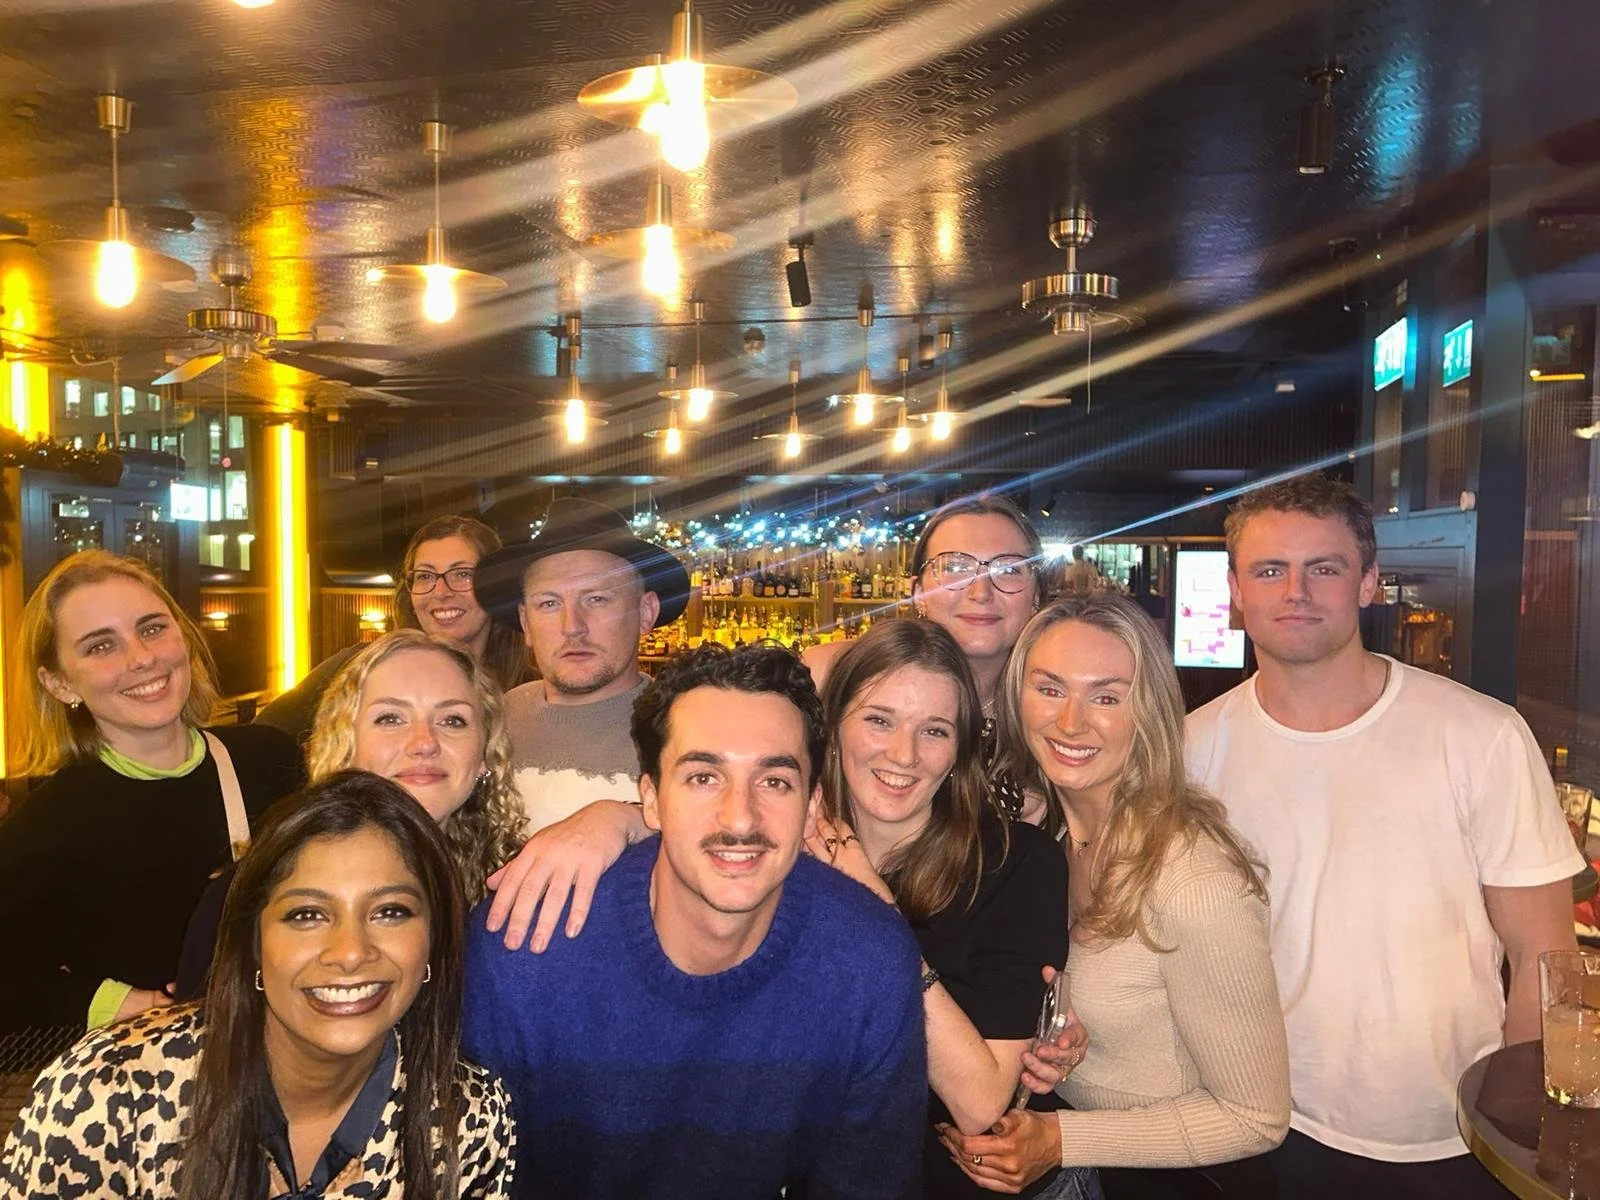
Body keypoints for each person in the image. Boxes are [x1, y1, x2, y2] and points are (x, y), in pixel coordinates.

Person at [1184, 474, 1584, 1198]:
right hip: (1256, 1125)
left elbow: (1545, 958)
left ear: (1369, 582)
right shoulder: (1191, 751)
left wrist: (1521, 1131)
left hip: (1450, 1134)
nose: (1295, 591)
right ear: (1236, 591)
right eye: (1270, 570)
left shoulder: (1479, 736)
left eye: (1324, 568)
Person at [461, 644, 926, 1200]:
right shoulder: (525, 946)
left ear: (811, 805)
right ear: (650, 802)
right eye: (704, 777)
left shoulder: (867, 960)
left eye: (775, 781)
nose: (740, 817)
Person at [2, 770, 515, 1198]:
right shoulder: (107, 1092)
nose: (352, 951)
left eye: (391, 911)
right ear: (254, 940)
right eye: (308, 914)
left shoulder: (465, 1117)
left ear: (433, 940)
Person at [941, 594, 1289, 1199]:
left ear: (1148, 712)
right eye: (1049, 689)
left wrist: (1060, 1141)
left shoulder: (1194, 880)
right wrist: (1056, 1049)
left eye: (1106, 696)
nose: (1072, 722)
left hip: (1183, 1183)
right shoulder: (1046, 835)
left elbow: (1256, 1119)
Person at [809, 619, 1075, 1200]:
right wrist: (619, 818)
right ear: (832, 727)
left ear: (960, 749)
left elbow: (981, 1103)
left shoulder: (1017, 865)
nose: (903, 755)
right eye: (879, 720)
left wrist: (872, 904)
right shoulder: (785, 850)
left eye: (934, 730)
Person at [0, 550, 303, 1036]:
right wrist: (117, 1003)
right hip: (160, 1089)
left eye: (152, 628)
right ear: (58, 683)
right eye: (101, 646)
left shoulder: (270, 761)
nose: (142, 658)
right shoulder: (48, 825)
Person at [173, 628, 527, 999]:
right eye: (390, 718)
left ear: (485, 754)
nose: (424, 742)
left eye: (452, 720)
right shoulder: (257, 892)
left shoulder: (514, 886)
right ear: (346, 742)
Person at [469, 496, 691, 952]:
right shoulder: (488, 723)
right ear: (526, 623)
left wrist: (628, 819)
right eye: (550, 604)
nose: (573, 626)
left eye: (597, 598)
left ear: (646, 613)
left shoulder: (691, 727)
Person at [809, 494, 1054, 829]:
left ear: (1036, 596)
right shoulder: (832, 675)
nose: (980, 592)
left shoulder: (1055, 716)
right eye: (954, 567)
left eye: (1009, 569)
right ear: (916, 591)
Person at [256, 515, 531, 746]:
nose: (441, 591)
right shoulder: (362, 665)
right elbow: (262, 737)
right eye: (425, 576)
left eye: (462, 574)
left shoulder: (530, 687)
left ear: (495, 584)